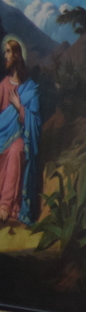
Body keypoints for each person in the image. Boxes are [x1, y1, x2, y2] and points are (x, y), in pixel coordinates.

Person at [0, 35, 42, 224]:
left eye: (8, 52)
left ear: (17, 55)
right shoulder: (3, 85)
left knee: (17, 149)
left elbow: (36, 122)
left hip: (20, 137)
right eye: (5, 52)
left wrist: (19, 107)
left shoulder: (31, 88)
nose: (5, 56)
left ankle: (5, 206)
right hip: (1, 136)